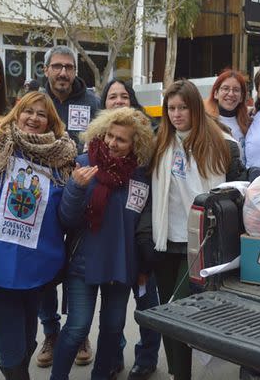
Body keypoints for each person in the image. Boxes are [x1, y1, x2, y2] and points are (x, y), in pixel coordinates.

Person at [137, 80, 248, 380]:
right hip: (166, 239)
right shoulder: (159, 142)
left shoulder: (222, 144)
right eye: (171, 108)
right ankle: (177, 372)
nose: (176, 114)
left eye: (183, 107)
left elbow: (234, 193)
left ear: (195, 108)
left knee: (182, 313)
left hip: (199, 241)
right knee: (169, 314)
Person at [51, 107, 155, 380]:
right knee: (77, 328)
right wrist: (75, 187)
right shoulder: (84, 163)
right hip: (84, 262)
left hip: (121, 263)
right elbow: (66, 219)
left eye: (121, 139)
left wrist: (143, 263)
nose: (111, 143)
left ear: (135, 144)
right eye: (109, 135)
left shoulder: (140, 174)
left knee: (112, 328)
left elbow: (141, 222)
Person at [0, 91, 77, 380]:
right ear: (17, 112)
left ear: (51, 122)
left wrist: (79, 188)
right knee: (12, 348)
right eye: (28, 111)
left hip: (37, 265)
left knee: (28, 340)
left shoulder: (60, 158)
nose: (33, 118)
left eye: (42, 114)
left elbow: (66, 215)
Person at [37, 45, 101, 368]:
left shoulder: (92, 102)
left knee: (77, 266)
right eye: (57, 67)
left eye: (69, 67)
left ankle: (78, 332)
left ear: (76, 71)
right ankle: (51, 332)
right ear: (46, 69)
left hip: (81, 194)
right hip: (43, 196)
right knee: (46, 268)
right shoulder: (36, 100)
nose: (64, 73)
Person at [99, 79, 161, 380]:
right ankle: (113, 355)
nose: (119, 100)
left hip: (143, 241)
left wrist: (145, 241)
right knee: (113, 310)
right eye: (113, 96)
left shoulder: (148, 150)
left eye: (125, 95)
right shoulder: (96, 150)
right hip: (112, 246)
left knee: (147, 304)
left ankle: (147, 358)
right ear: (104, 105)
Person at [204, 69, 251, 158]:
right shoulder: (206, 122)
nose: (231, 94)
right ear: (216, 93)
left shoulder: (248, 122)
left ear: (241, 97)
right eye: (225, 89)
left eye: (236, 90)